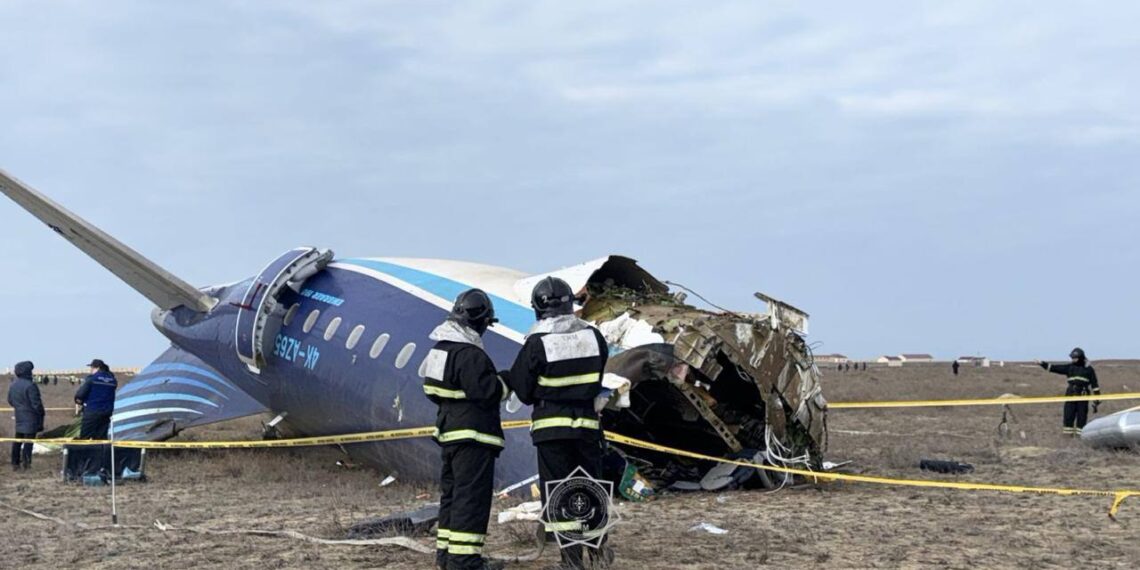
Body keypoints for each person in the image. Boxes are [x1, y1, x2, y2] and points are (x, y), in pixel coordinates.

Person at [506, 277, 612, 569]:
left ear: (538, 309)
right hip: (587, 428)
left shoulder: (537, 343)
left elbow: (523, 391)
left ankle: (572, 560)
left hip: (552, 431)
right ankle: (599, 549)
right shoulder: (594, 337)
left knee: (561, 495)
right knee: (591, 489)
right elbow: (598, 378)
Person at [423, 289, 506, 570]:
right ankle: (465, 562)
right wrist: (505, 382)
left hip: (449, 435)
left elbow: (431, 390)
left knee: (452, 497)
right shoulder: (471, 355)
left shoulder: (439, 350)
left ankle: (446, 557)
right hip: (474, 437)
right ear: (481, 322)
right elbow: (487, 392)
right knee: (471, 500)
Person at [1037, 348, 1100, 436]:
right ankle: (1067, 437)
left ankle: (1080, 437)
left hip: (1083, 396)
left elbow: (1095, 385)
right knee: (1068, 416)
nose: (1073, 359)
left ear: (1081, 357)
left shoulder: (1089, 369)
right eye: (1072, 358)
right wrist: (1042, 364)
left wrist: (1097, 398)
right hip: (1070, 395)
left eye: (1075, 358)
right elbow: (1054, 368)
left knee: (1081, 417)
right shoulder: (1069, 367)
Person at [7, 361, 45, 471]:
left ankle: (15, 463)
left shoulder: (13, 384)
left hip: (19, 416)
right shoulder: (31, 385)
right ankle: (26, 464)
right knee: (28, 443)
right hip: (31, 417)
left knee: (17, 441)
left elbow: (10, 400)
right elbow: (36, 404)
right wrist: (41, 414)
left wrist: (19, 408)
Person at [75, 359, 117, 440]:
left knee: (85, 437)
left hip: (92, 411)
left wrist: (79, 401)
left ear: (97, 368)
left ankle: (84, 452)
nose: (90, 370)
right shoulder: (112, 380)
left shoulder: (92, 379)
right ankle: (100, 452)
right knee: (101, 438)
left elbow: (80, 395)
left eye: (92, 368)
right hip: (106, 412)